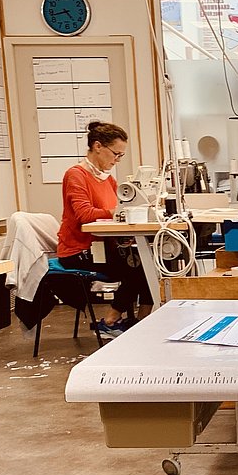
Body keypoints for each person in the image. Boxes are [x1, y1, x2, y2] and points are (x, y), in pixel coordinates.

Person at [56, 121, 152, 339]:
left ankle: (142, 322)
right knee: (139, 270)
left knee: (148, 265)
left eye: (121, 156)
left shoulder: (107, 178)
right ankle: (110, 322)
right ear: (97, 146)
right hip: (78, 251)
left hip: (102, 246)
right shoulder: (76, 175)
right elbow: (85, 214)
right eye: (116, 154)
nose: (117, 160)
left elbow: (118, 207)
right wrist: (119, 213)